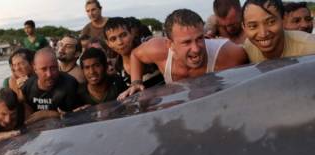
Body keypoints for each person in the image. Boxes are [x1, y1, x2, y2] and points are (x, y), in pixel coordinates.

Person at [118, 9, 247, 100]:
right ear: (170, 44)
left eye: (200, 38)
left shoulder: (229, 53)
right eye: (186, 42)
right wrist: (136, 82)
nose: (196, 49)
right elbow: (135, 54)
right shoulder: (157, 50)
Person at [242, 0, 315, 63]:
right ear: (243, 27)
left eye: (271, 22)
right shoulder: (248, 48)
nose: (263, 34)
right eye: (253, 26)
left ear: (283, 19)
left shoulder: (310, 47)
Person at [22, 47, 78, 124]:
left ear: (58, 66)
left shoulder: (69, 84)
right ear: (35, 68)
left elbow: (73, 117)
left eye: (53, 68)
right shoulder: (27, 86)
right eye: (44, 69)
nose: (49, 74)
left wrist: (47, 114)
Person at [104, 17, 163, 87]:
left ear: (131, 34)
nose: (119, 42)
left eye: (123, 35)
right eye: (113, 39)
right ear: (108, 43)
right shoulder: (118, 68)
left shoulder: (150, 50)